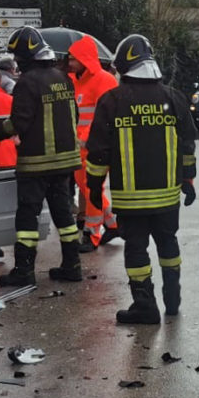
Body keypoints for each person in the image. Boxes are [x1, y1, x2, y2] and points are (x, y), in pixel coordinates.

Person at [86, 34, 197, 324]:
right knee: (168, 244)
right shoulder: (173, 98)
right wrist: (189, 179)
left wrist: (94, 189)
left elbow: (97, 153)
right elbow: (188, 143)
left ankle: (145, 306)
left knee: (136, 250)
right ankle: (173, 300)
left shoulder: (111, 102)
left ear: (123, 66)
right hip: (167, 198)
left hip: (129, 200)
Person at [0, 26, 82, 286]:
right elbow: (75, 116)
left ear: (25, 56)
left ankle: (24, 270)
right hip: (66, 161)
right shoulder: (63, 78)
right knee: (64, 215)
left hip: (36, 163)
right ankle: (73, 265)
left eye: (17, 56)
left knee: (27, 216)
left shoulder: (27, 82)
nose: (16, 62)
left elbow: (18, 124)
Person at [67, 37, 120, 252]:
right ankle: (114, 224)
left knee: (91, 189)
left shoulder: (103, 80)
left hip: (95, 147)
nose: (69, 62)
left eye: (73, 59)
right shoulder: (76, 81)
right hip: (79, 147)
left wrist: (89, 140)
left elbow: (105, 116)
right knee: (87, 189)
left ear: (85, 59)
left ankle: (92, 234)